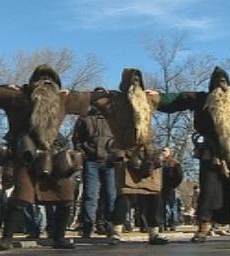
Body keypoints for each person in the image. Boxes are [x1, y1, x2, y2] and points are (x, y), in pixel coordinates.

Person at [0, 64, 91, 250]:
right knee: (21, 196)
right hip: (24, 154)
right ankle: (7, 238)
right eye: (41, 79)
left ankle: (58, 237)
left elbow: (95, 98)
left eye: (50, 80)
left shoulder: (63, 99)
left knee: (65, 193)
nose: (45, 83)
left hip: (53, 155)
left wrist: (73, 92)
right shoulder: (17, 96)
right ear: (33, 82)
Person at [158, 67, 230, 242]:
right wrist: (156, 97)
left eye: (224, 82)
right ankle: (203, 227)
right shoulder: (201, 99)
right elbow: (177, 99)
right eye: (217, 82)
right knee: (209, 188)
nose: (220, 85)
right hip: (211, 150)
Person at [91, 68, 169, 245]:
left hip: (147, 153)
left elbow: (177, 100)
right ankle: (116, 233)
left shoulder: (148, 99)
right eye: (132, 80)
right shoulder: (115, 101)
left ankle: (154, 233)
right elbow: (93, 99)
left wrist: (160, 95)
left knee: (153, 196)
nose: (135, 83)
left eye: (138, 80)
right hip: (126, 153)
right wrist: (99, 94)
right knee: (124, 196)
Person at [72, 96, 117, 242]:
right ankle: (87, 227)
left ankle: (109, 226)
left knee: (111, 195)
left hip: (110, 162)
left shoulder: (114, 117)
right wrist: (83, 153)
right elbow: (77, 139)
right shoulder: (84, 118)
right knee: (90, 195)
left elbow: (122, 137)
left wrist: (116, 154)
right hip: (91, 161)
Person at [161, 147, 183, 231]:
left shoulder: (174, 163)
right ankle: (163, 223)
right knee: (163, 206)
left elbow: (179, 175)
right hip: (161, 187)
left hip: (171, 187)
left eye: (165, 151)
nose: (163, 152)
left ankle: (173, 223)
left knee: (172, 205)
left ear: (170, 152)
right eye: (163, 151)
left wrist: (174, 185)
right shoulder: (160, 163)